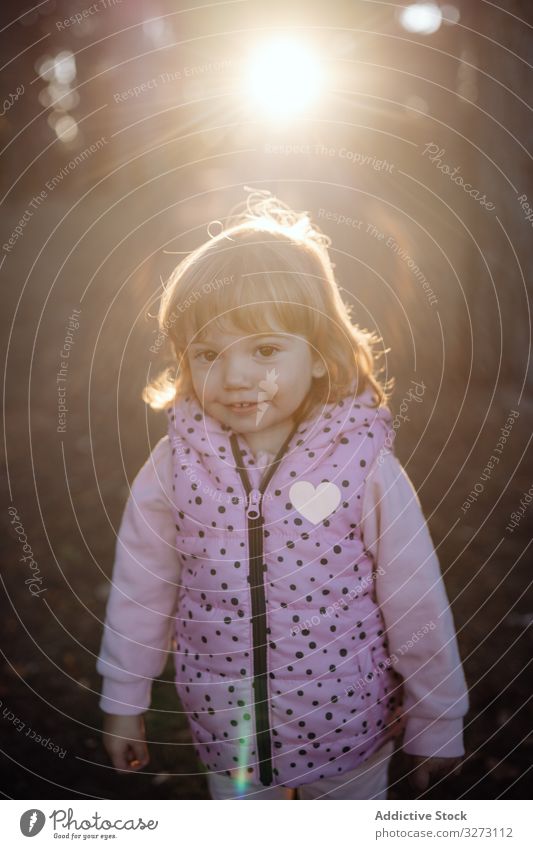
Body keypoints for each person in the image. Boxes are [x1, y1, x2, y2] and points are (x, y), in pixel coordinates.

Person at [97, 189, 468, 800]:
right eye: (209, 354)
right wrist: (123, 701)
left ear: (320, 355)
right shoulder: (175, 467)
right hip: (228, 739)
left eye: (265, 349)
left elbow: (415, 600)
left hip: (348, 735)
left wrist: (437, 719)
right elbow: (141, 588)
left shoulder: (363, 466)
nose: (235, 375)